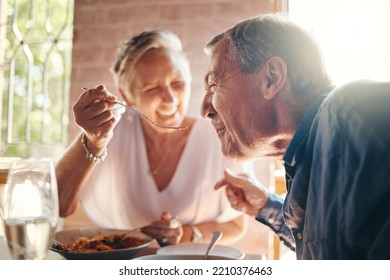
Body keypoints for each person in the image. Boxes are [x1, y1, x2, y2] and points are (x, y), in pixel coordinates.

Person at [201, 13, 390, 259]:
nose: (205, 109)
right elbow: (331, 243)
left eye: (214, 84)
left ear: (272, 78)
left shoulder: (350, 115)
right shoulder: (309, 156)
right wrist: (266, 206)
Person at [56, 29, 253, 245]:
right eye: (152, 88)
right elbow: (60, 205)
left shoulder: (220, 136)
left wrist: (184, 235)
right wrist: (93, 142)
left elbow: (236, 226)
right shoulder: (107, 131)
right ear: (126, 95)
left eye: (178, 83)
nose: (170, 98)